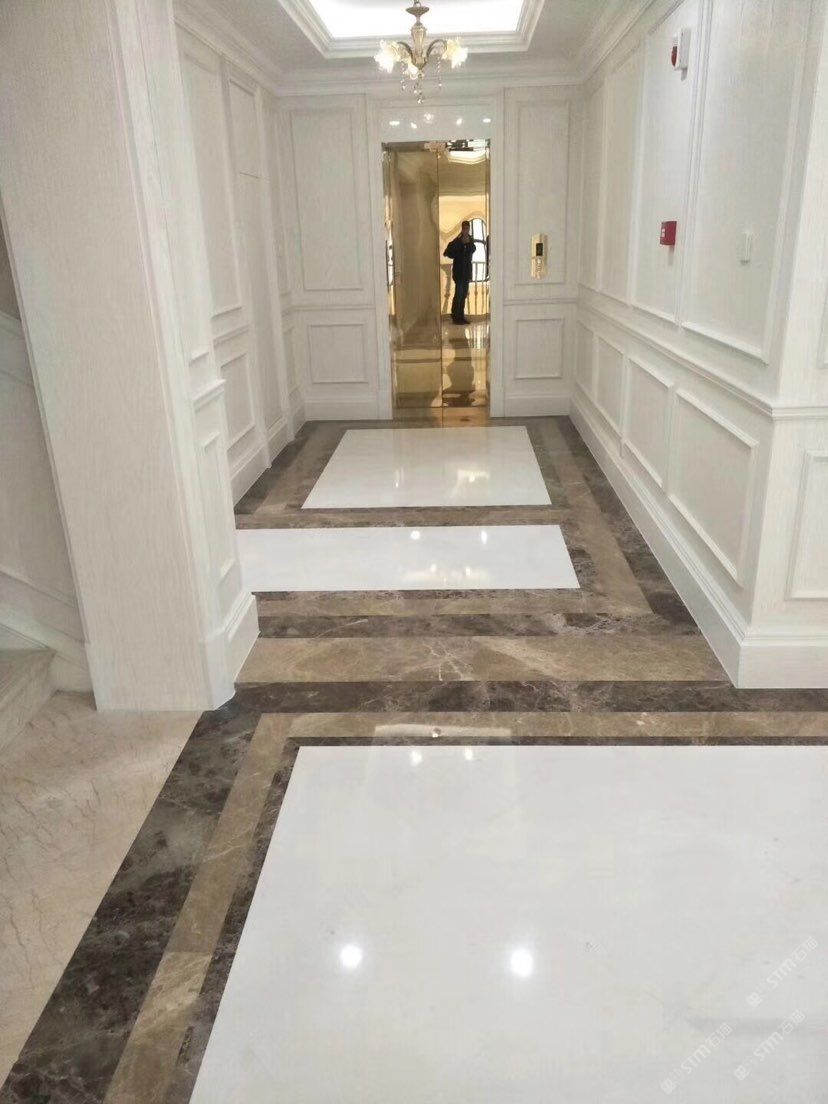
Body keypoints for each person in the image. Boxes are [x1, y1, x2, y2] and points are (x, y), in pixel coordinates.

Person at [443, 220, 476, 324]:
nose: (466, 230)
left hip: (466, 272)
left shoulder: (470, 240)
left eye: (467, 228)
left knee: (464, 295)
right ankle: (455, 316)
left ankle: (461, 316)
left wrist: (468, 243)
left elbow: (473, 249)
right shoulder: (457, 240)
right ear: (462, 229)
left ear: (469, 229)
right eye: (464, 228)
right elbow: (448, 253)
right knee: (458, 295)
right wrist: (460, 242)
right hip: (459, 272)